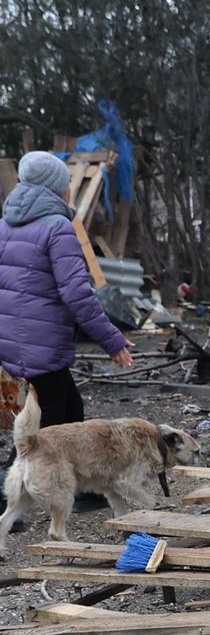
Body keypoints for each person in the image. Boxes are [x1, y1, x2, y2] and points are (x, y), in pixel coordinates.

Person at [0, 151, 134, 492]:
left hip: (13, 343)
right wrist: (112, 340)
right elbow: (77, 294)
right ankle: (16, 492)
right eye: (67, 184)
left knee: (69, 408)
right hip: (40, 347)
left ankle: (80, 487)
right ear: (58, 189)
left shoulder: (5, 224)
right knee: (51, 427)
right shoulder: (57, 228)